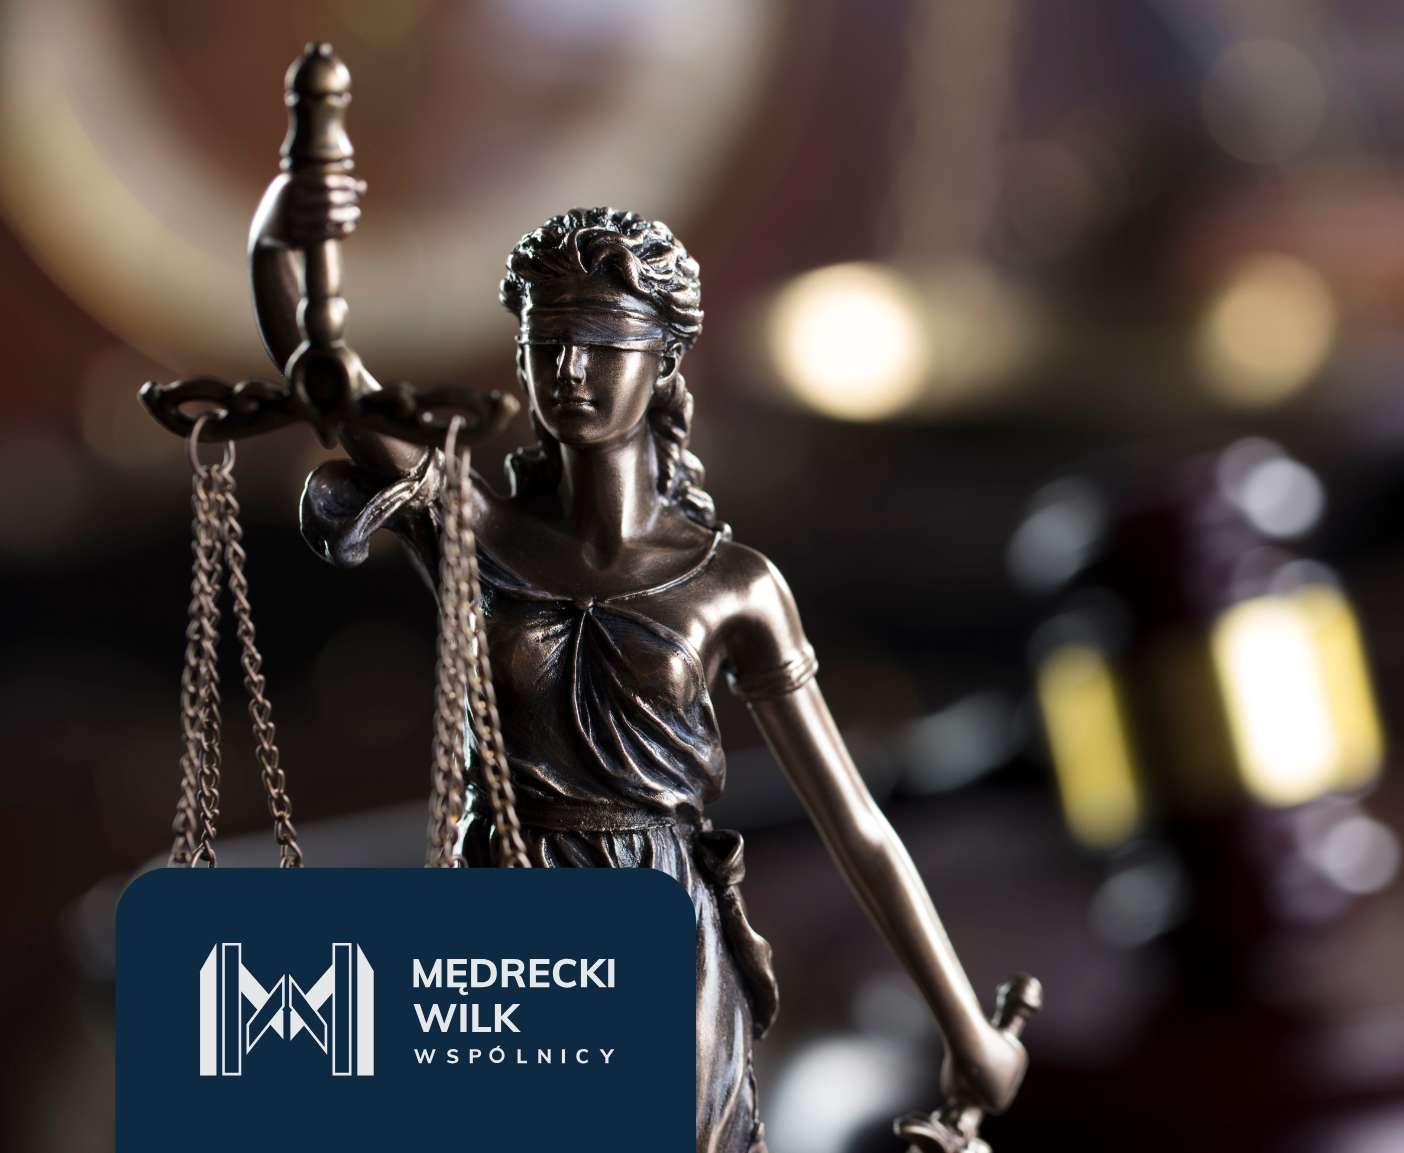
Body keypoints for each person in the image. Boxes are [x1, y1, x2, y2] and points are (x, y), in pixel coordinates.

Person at [252, 173, 1027, 1152]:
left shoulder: (730, 585)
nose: (569, 370)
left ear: (661, 359)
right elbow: (326, 380)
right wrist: (277, 237)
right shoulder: (473, 528)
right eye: (545, 345)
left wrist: (966, 1031)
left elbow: (857, 828)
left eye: (602, 343)